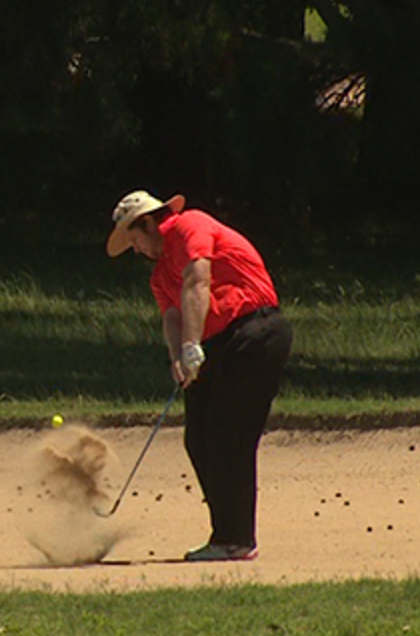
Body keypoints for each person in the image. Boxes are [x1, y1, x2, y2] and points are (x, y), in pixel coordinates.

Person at [106, 190, 292, 561]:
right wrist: (178, 357)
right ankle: (227, 535)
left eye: (134, 240)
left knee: (228, 434)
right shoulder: (159, 275)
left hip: (254, 332)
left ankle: (236, 539)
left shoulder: (190, 225)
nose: (136, 250)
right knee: (199, 439)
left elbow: (198, 280)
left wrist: (192, 346)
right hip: (217, 345)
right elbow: (172, 316)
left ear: (148, 222)